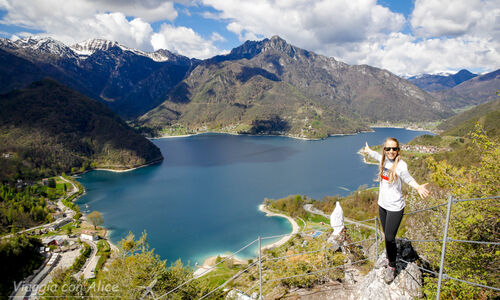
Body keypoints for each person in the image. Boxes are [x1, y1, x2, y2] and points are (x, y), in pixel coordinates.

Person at [363, 137, 429, 283]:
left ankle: (392, 266)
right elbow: (376, 155)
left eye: (394, 149)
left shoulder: (401, 165)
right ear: (385, 150)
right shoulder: (383, 160)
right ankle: (388, 258)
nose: (391, 151)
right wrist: (368, 151)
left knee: (389, 237)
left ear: (398, 150)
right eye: (388, 149)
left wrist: (418, 187)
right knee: (386, 235)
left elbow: (407, 178)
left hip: (395, 207)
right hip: (383, 205)